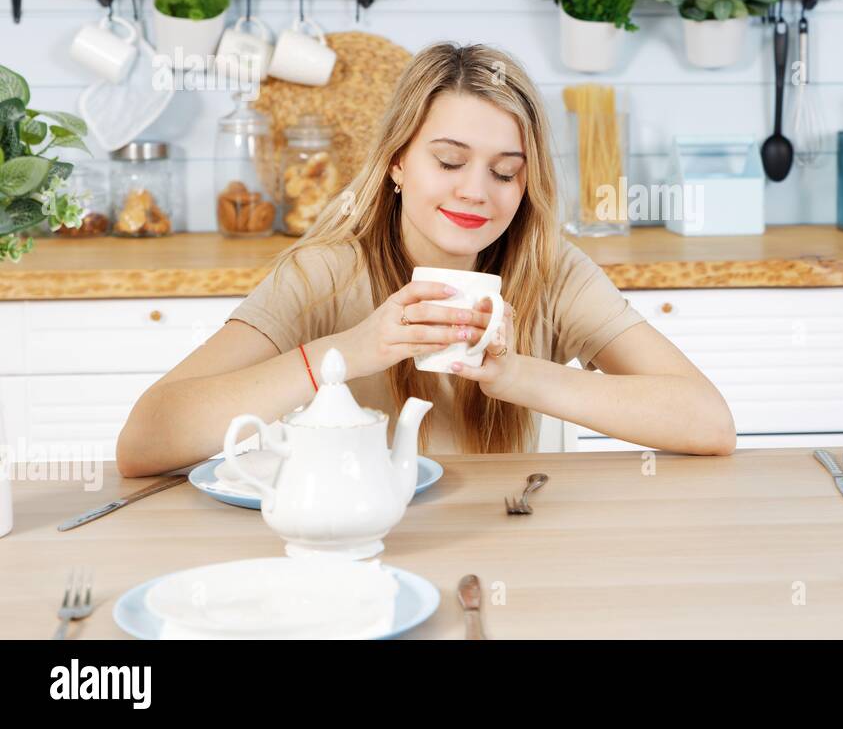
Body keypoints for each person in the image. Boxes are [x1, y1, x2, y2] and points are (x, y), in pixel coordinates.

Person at [116, 43, 735, 476]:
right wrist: (349, 352)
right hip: (359, 547)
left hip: (507, 543)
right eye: (448, 160)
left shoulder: (553, 270)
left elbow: (707, 424)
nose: (476, 192)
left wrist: (515, 375)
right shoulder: (322, 275)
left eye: (504, 172)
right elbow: (144, 442)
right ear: (396, 163)